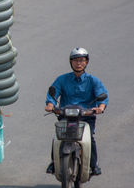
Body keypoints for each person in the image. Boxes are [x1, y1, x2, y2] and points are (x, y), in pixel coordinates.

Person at [45, 47, 109, 176]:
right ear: (70, 62)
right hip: (66, 116)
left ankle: (93, 165)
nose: (78, 63)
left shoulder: (93, 80)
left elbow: (103, 95)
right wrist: (50, 105)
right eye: (75, 60)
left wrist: (100, 108)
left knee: (89, 138)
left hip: (86, 117)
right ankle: (54, 162)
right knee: (57, 137)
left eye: (81, 60)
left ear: (86, 62)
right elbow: (53, 92)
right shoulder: (62, 79)